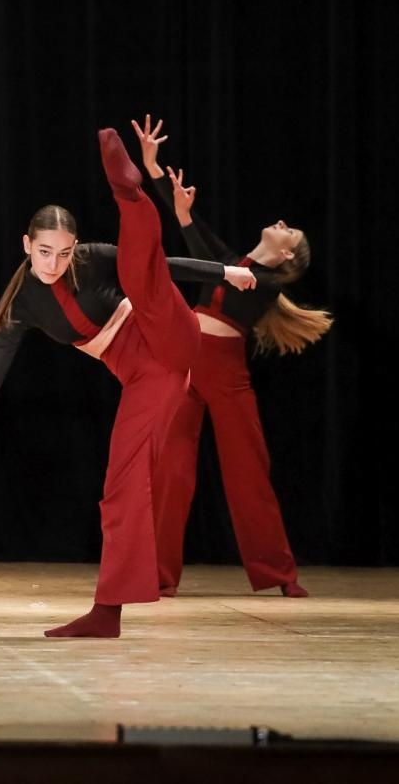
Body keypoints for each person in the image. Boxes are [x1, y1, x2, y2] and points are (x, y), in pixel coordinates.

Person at [0, 120, 255, 637]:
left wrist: (224, 273)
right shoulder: (22, 305)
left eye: (63, 252)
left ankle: (128, 190)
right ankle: (108, 612)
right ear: (25, 244)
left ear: (74, 245)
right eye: (44, 252)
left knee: (140, 269)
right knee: (119, 489)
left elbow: (160, 262)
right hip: (149, 379)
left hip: (164, 333)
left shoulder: (91, 258)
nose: (55, 263)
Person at [135, 117, 330, 598]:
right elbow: (201, 240)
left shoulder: (261, 283)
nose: (281, 225)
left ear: (286, 257)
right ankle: (159, 575)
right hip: (186, 360)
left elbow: (205, 255)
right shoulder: (234, 262)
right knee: (170, 468)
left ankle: (279, 574)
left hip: (225, 372)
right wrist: (153, 167)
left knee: (248, 472)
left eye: (290, 232)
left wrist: (184, 219)